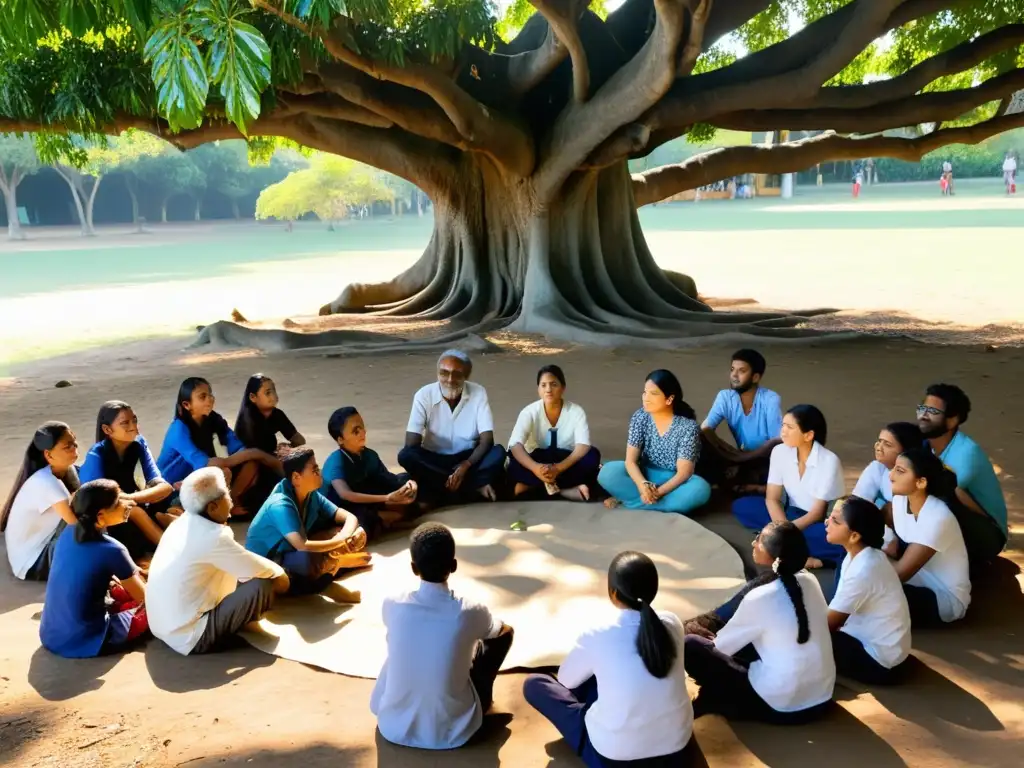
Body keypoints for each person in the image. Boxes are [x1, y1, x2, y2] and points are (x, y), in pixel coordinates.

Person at [523, 551, 700, 768]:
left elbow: (566, 681)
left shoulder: (598, 633)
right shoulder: (672, 624)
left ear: (613, 594)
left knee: (535, 684)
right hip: (676, 752)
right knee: (607, 677)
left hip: (614, 758)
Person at [371, 522, 514, 750]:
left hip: (392, 727)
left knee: (406, 649)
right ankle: (482, 699)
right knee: (502, 636)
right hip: (454, 732)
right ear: (454, 565)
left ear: (413, 568)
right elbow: (502, 632)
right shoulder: (468, 611)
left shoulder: (392, 604)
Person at [684, 521, 835, 724]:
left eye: (760, 541)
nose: (754, 542)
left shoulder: (761, 596)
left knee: (691, 645)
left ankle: (723, 699)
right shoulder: (810, 581)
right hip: (822, 697)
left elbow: (721, 647)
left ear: (776, 558)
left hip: (781, 707)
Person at [147, 468, 291, 655]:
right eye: (228, 495)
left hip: (163, 627)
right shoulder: (213, 537)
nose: (231, 500)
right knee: (262, 584)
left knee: (242, 573)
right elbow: (267, 571)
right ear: (213, 507)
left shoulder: (182, 522)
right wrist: (283, 581)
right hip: (190, 637)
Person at [39, 480, 149, 658]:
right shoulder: (113, 549)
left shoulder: (70, 531)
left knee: (119, 590)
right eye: (118, 501)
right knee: (153, 609)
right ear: (100, 516)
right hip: (86, 640)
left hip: (52, 635)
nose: (128, 503)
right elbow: (144, 597)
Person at [732, 405, 845, 568]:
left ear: (808, 435)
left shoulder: (829, 461)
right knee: (742, 506)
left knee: (835, 539)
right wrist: (782, 528)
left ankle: (809, 557)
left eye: (790, 427)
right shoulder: (779, 451)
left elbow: (817, 513)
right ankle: (788, 546)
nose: (783, 431)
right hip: (786, 514)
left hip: (814, 522)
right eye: (783, 425)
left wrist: (780, 533)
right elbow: (772, 498)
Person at [245, 448, 369, 594]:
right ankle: (333, 565)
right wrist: (341, 542)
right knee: (306, 560)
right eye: (315, 470)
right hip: (267, 568)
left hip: (290, 554)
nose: (319, 473)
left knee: (345, 531)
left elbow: (348, 517)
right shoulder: (280, 503)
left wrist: (349, 535)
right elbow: (302, 546)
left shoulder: (311, 494)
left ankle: (332, 564)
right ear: (297, 477)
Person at [157, 377, 283, 517]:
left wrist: (251, 455)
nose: (209, 399)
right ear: (187, 405)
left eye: (210, 395)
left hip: (200, 476)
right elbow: (206, 463)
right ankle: (182, 509)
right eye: (202, 397)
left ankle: (230, 503)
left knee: (251, 464)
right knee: (223, 471)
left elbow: (238, 448)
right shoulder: (178, 429)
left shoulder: (213, 419)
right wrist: (255, 453)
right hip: (172, 486)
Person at [398, 350, 506, 507]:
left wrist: (466, 465)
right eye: (444, 373)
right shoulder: (423, 395)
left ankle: (442, 490)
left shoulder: (478, 392)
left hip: (468, 459)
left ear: (466, 376)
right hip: (434, 460)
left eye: (457, 374)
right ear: (437, 374)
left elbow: (487, 440)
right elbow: (411, 445)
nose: (449, 379)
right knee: (406, 456)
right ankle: (472, 487)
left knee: (498, 452)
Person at [917, 383, 1007, 566]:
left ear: (952, 421)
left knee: (945, 492)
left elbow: (940, 495)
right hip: (952, 526)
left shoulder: (967, 453)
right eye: (922, 408)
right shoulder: (923, 444)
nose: (923, 415)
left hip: (986, 535)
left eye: (933, 411)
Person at [824, 496, 911, 684]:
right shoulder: (861, 555)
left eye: (835, 521)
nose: (826, 522)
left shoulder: (864, 570)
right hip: (889, 652)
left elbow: (826, 625)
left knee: (804, 640)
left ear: (854, 535)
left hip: (879, 663)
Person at [598, 370, 711, 515]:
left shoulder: (687, 427)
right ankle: (658, 505)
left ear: (669, 399)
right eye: (645, 392)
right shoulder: (640, 417)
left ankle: (631, 502)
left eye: (654, 394)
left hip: (674, 482)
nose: (646, 398)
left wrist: (657, 493)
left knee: (700, 489)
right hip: (645, 475)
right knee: (607, 472)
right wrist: (643, 485)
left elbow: (684, 473)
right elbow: (630, 461)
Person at [79, 401, 176, 559]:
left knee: (173, 503)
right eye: (125, 422)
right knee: (135, 511)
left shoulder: (139, 444)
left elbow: (164, 487)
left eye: (134, 420)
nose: (133, 426)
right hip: (109, 518)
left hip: (133, 501)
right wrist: (130, 502)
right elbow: (94, 502)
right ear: (107, 429)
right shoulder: (96, 456)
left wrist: (130, 497)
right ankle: (172, 551)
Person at [885, 448, 971, 626]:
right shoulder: (900, 500)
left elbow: (899, 573)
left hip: (943, 599)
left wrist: (869, 556)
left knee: (873, 592)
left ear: (921, 482)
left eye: (900, 471)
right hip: (917, 580)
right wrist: (889, 538)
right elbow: (877, 519)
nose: (891, 475)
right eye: (893, 468)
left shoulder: (938, 517)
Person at [507, 365, 601, 502]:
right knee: (513, 465)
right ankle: (564, 491)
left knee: (592, 456)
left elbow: (583, 445)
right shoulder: (529, 412)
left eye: (554, 384)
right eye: (543, 385)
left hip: (565, 462)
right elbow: (515, 445)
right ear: (538, 389)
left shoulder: (576, 411)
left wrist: (557, 469)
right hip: (537, 460)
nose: (548, 390)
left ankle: (535, 489)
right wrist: (536, 469)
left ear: (563, 388)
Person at [321, 406, 419, 538]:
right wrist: (387, 498)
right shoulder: (336, 461)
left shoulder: (369, 455)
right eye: (356, 431)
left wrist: (409, 485)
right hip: (341, 507)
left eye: (362, 427)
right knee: (362, 524)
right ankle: (381, 521)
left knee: (405, 481)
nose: (362, 433)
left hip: (366, 498)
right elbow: (345, 494)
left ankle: (385, 519)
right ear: (340, 439)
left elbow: (389, 480)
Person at [2, 422, 81, 581]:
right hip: (32, 564)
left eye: (74, 442)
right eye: (67, 446)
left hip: (40, 546)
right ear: (48, 455)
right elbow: (77, 525)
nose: (75, 447)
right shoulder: (47, 483)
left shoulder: (66, 469)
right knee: (89, 518)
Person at [699, 349, 783, 492]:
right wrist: (730, 453)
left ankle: (754, 486)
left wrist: (742, 457)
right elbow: (706, 428)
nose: (734, 375)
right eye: (733, 369)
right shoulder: (725, 397)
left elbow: (777, 442)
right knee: (699, 436)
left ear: (755, 377)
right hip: (738, 457)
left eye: (741, 371)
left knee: (779, 459)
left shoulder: (770, 399)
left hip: (767, 459)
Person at [851, 421, 922, 515]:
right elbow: (856, 503)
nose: (879, 447)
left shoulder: (913, 478)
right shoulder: (877, 467)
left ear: (905, 451)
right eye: (880, 441)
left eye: (887, 445)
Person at [234, 373, 306, 457]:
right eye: (268, 393)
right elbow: (256, 455)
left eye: (274, 391)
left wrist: (287, 448)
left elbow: (299, 441)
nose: (273, 396)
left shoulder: (276, 414)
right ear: (253, 397)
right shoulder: (248, 422)